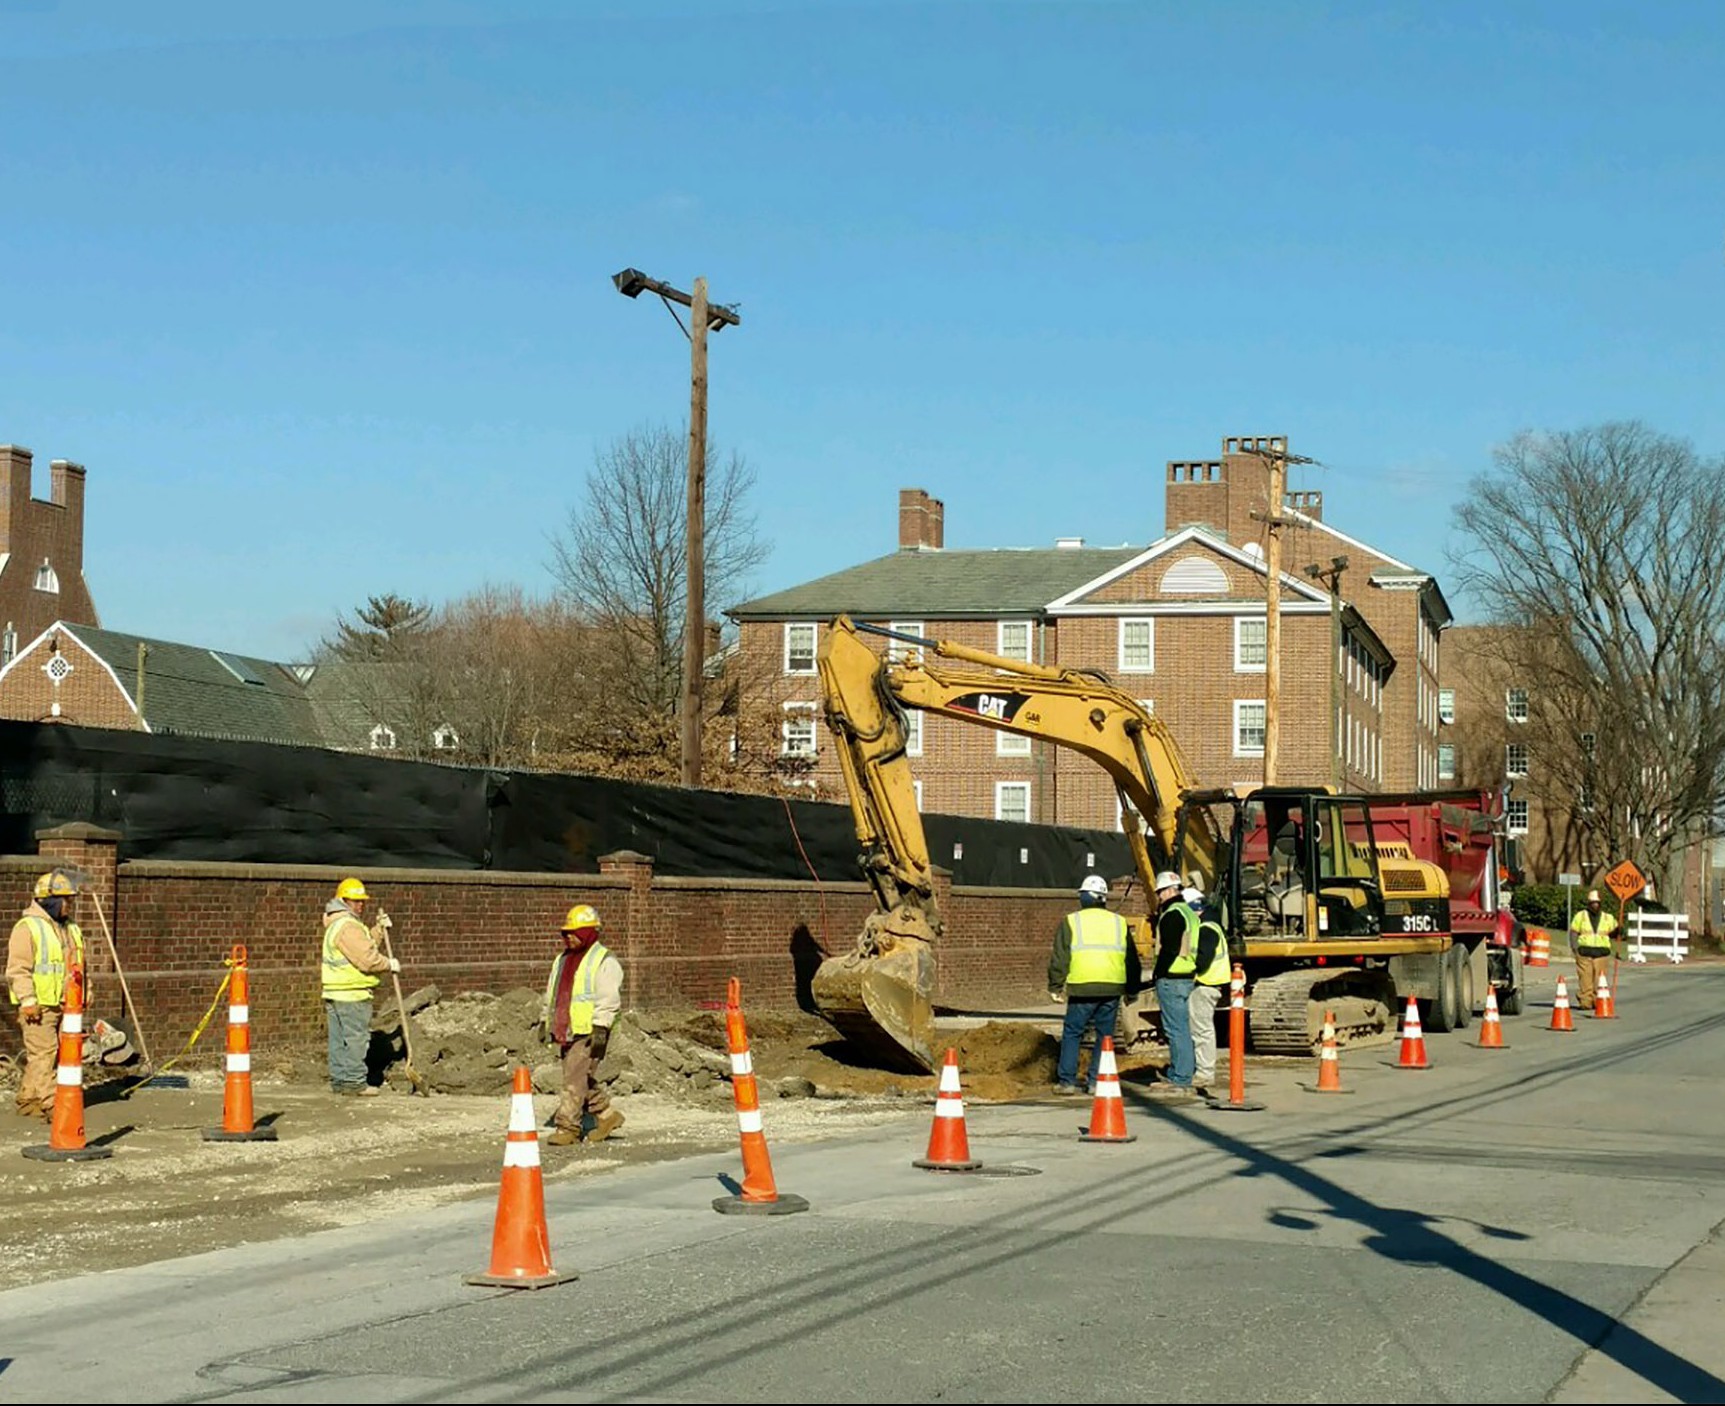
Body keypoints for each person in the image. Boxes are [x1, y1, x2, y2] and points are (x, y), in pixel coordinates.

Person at [1048, 873, 1140, 1095]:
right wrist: (1132, 990)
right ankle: (1096, 1081)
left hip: (1082, 987)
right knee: (1104, 1036)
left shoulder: (1072, 921)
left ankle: (1067, 1082)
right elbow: (1131, 960)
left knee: (1072, 1033)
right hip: (1111, 988)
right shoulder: (1119, 922)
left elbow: (1060, 957)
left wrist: (1055, 985)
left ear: (1085, 897)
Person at [543, 904, 625, 1146]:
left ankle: (567, 1127)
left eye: (573, 932)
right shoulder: (562, 960)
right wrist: (544, 1019)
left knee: (572, 1080)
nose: (568, 937)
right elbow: (553, 993)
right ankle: (607, 1116)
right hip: (567, 1029)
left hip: (589, 1031)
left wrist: (601, 1027)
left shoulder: (603, 961)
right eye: (565, 933)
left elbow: (608, 997)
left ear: (587, 932)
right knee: (580, 1078)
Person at [6, 870, 85, 1121]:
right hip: (39, 1005)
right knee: (44, 1053)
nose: (69, 905)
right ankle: (54, 1105)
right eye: (66, 900)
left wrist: (87, 990)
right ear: (50, 900)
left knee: (51, 1053)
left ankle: (29, 1099)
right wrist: (28, 1000)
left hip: (65, 1004)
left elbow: (79, 964)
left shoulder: (70, 928)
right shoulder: (27, 928)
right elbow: (18, 969)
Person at [320, 877, 397, 1096]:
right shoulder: (348, 926)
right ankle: (354, 1082)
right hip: (352, 994)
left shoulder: (339, 924)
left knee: (339, 1040)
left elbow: (363, 945)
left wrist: (379, 930)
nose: (360, 904)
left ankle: (341, 1080)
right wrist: (388, 964)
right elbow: (366, 958)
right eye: (355, 901)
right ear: (343, 900)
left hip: (336, 992)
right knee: (355, 1039)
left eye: (361, 901)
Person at [1149, 869, 1198, 1097]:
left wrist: (1157, 973)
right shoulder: (1189, 913)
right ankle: (1182, 1072)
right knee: (1182, 1029)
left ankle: (1181, 1078)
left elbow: (1169, 949)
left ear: (1169, 891)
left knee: (1175, 1030)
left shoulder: (1172, 915)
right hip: (1187, 976)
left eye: (1160, 892)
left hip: (1172, 978)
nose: (1159, 897)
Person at [1184, 884, 1231, 1095]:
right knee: (1199, 1029)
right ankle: (1199, 1069)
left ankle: (1205, 1072)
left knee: (1201, 1030)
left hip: (1205, 984)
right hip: (1206, 984)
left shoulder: (1207, 929)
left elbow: (1202, 961)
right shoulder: (1209, 926)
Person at [1569, 889, 1618, 1011]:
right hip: (1584, 953)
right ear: (1588, 903)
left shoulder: (1608, 918)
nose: (1594, 905)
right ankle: (1585, 1002)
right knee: (1585, 979)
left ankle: (1598, 1001)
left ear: (1600, 903)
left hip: (1602, 954)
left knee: (1599, 980)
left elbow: (1616, 932)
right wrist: (1575, 948)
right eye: (1592, 902)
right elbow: (1574, 932)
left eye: (1596, 902)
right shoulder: (1580, 916)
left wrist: (1619, 929)